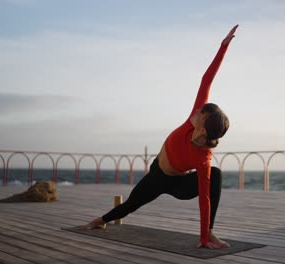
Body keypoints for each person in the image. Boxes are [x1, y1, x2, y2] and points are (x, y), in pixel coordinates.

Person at [80, 25, 238, 250]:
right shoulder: (195, 116)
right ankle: (100, 220)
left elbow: (205, 199)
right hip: (158, 174)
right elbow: (207, 79)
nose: (198, 111)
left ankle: (209, 234)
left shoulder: (203, 158)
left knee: (216, 176)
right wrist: (223, 47)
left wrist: (203, 237)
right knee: (132, 204)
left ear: (203, 130)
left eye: (202, 114)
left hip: (179, 184)